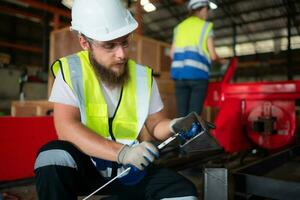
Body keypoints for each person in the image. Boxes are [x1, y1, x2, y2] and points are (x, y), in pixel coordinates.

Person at [34, 0, 198, 199]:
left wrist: (174, 125)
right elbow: (66, 127)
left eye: (125, 42)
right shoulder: (72, 72)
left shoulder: (142, 77)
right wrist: (122, 152)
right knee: (52, 156)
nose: (121, 54)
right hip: (88, 168)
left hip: (130, 170)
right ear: (85, 43)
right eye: (109, 46)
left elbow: (156, 125)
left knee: (183, 192)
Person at [170, 0, 224, 117]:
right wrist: (223, 61)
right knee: (193, 116)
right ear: (202, 9)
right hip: (198, 76)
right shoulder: (206, 26)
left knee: (182, 116)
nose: (207, 13)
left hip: (179, 76)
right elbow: (213, 55)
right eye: (206, 10)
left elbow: (172, 53)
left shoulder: (179, 27)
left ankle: (181, 135)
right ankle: (193, 135)